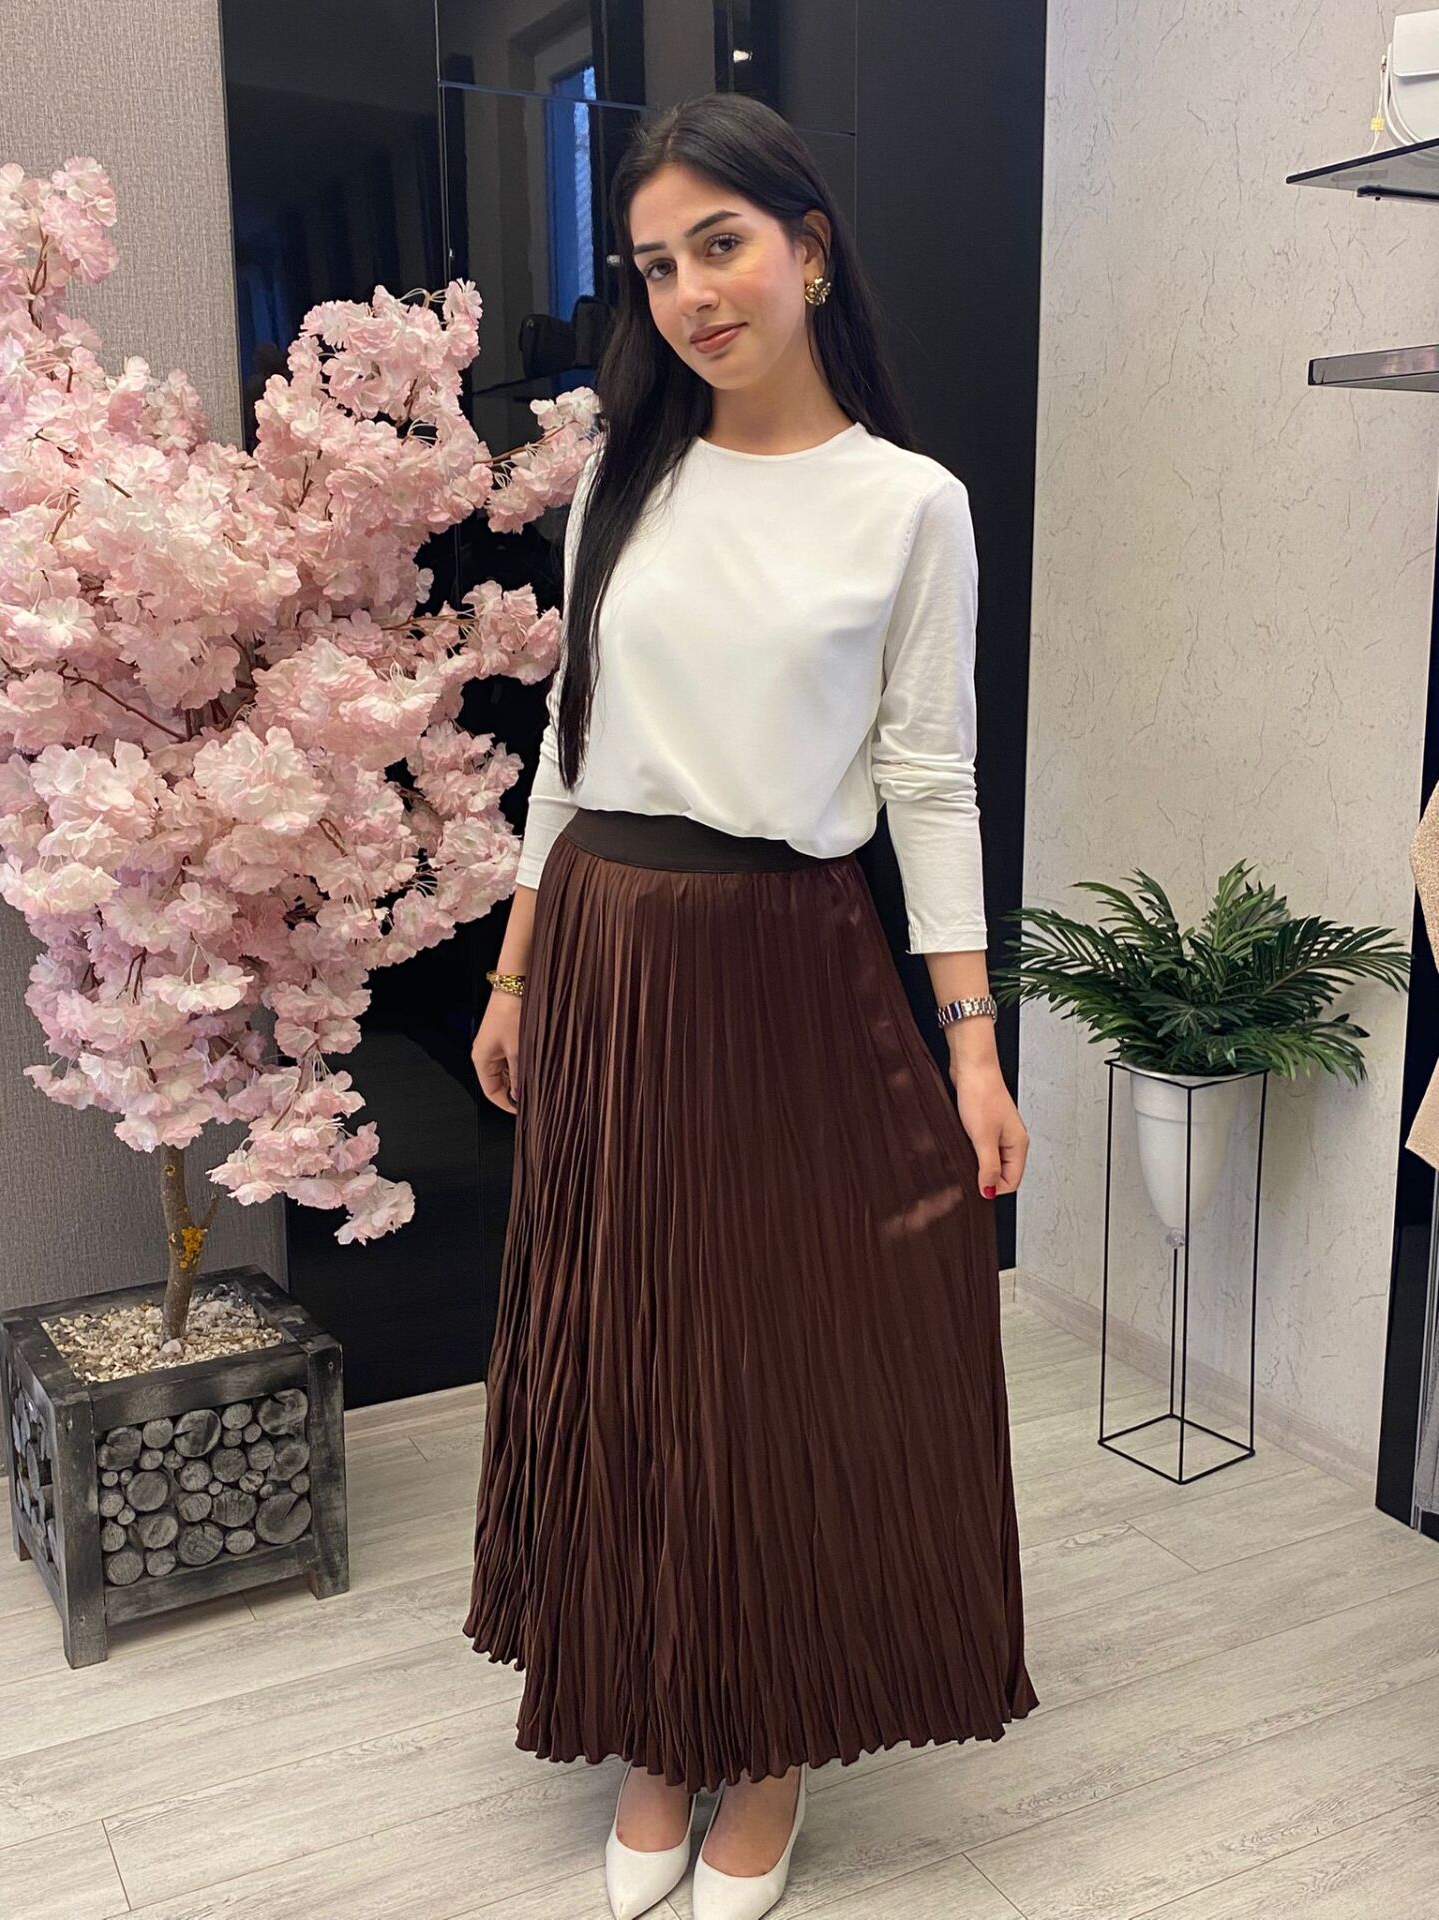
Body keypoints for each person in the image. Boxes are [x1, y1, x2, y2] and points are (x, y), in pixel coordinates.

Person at [464, 90, 1038, 1920]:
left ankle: (769, 1737)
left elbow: (930, 776)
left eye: (720, 243)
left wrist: (973, 1045)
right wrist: (515, 967)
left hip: (790, 956)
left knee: (779, 1356)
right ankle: (655, 1722)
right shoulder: (623, 486)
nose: (691, 292)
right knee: (630, 1348)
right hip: (607, 952)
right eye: (655, 265)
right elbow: (570, 756)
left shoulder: (909, 504)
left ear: (809, 247)